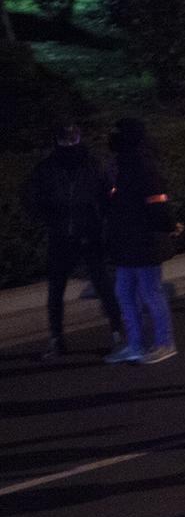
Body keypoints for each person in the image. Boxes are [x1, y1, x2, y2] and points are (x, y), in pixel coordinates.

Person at [22, 122, 118, 360]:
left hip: (86, 231)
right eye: (66, 140)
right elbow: (31, 197)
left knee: (102, 284)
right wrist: (48, 216)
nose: (69, 144)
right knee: (58, 288)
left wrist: (101, 218)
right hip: (63, 233)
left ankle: (117, 333)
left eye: (71, 139)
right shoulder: (50, 168)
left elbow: (108, 194)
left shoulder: (86, 164)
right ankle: (57, 339)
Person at [102, 118, 178, 365]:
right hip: (128, 240)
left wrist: (167, 226)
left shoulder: (142, 165)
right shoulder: (123, 164)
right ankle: (135, 344)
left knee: (149, 292)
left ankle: (164, 343)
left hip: (145, 240)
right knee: (125, 293)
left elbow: (157, 204)